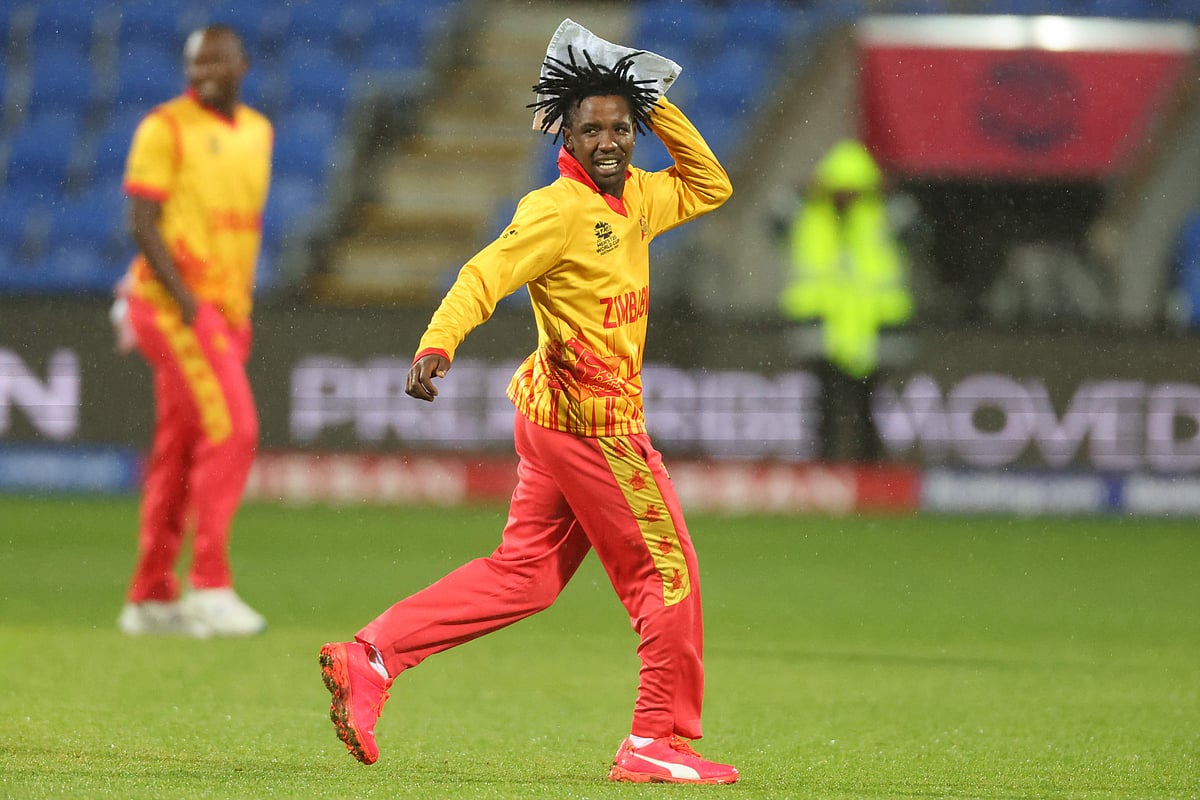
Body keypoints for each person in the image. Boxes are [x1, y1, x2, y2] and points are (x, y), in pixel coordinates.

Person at [319, 39, 739, 785]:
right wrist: (438, 341)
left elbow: (710, 186)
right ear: (564, 137)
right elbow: (486, 273)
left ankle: (373, 656)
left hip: (550, 419)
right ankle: (655, 738)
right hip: (594, 428)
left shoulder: (638, 197)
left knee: (526, 577)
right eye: (591, 131)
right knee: (666, 574)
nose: (608, 143)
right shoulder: (556, 211)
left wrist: (656, 99)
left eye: (621, 128)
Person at [113, 25, 271, 637]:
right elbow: (141, 221)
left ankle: (150, 596)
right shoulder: (165, 127)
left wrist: (229, 308)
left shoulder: (258, 132)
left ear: (241, 64)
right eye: (192, 62)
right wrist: (185, 302)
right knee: (235, 430)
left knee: (178, 453)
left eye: (213, 60)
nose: (201, 70)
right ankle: (209, 584)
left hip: (227, 311)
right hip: (176, 305)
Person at [780, 139, 913, 463]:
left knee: (869, 404)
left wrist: (885, 194)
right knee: (824, 404)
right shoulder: (810, 215)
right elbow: (774, 213)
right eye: (839, 188)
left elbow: (916, 225)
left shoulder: (883, 215)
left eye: (853, 188)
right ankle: (827, 464)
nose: (845, 196)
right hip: (822, 325)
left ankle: (869, 467)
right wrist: (806, 191)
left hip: (872, 326)